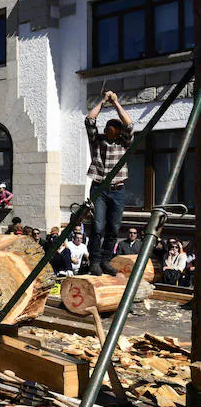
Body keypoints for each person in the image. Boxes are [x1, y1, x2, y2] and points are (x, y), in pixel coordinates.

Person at [85, 90, 133, 276]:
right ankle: (95, 261)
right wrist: (103, 100)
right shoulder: (97, 141)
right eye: (108, 131)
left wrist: (116, 103)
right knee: (97, 227)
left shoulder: (125, 143)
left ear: (118, 133)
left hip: (118, 190)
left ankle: (106, 260)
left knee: (113, 227)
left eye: (113, 132)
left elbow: (129, 124)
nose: (110, 134)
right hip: (99, 189)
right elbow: (89, 120)